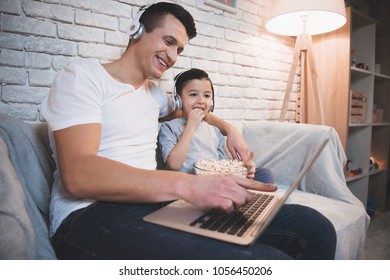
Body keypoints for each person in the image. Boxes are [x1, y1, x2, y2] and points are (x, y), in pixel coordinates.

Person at [40, 2, 336, 259]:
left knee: (315, 228)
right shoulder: (83, 77)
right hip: (90, 216)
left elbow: (195, 112)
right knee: (267, 261)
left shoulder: (155, 96)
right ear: (137, 31)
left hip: (152, 204)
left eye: (179, 49)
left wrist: (229, 128)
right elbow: (79, 174)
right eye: (168, 41)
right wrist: (189, 185)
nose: (173, 56)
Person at [159, 68, 274, 183]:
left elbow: (222, 165)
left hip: (214, 182)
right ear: (178, 99)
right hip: (187, 183)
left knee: (265, 174)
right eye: (193, 94)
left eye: (207, 96)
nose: (201, 101)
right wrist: (190, 127)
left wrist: (241, 169)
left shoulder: (215, 131)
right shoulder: (169, 128)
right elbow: (173, 164)